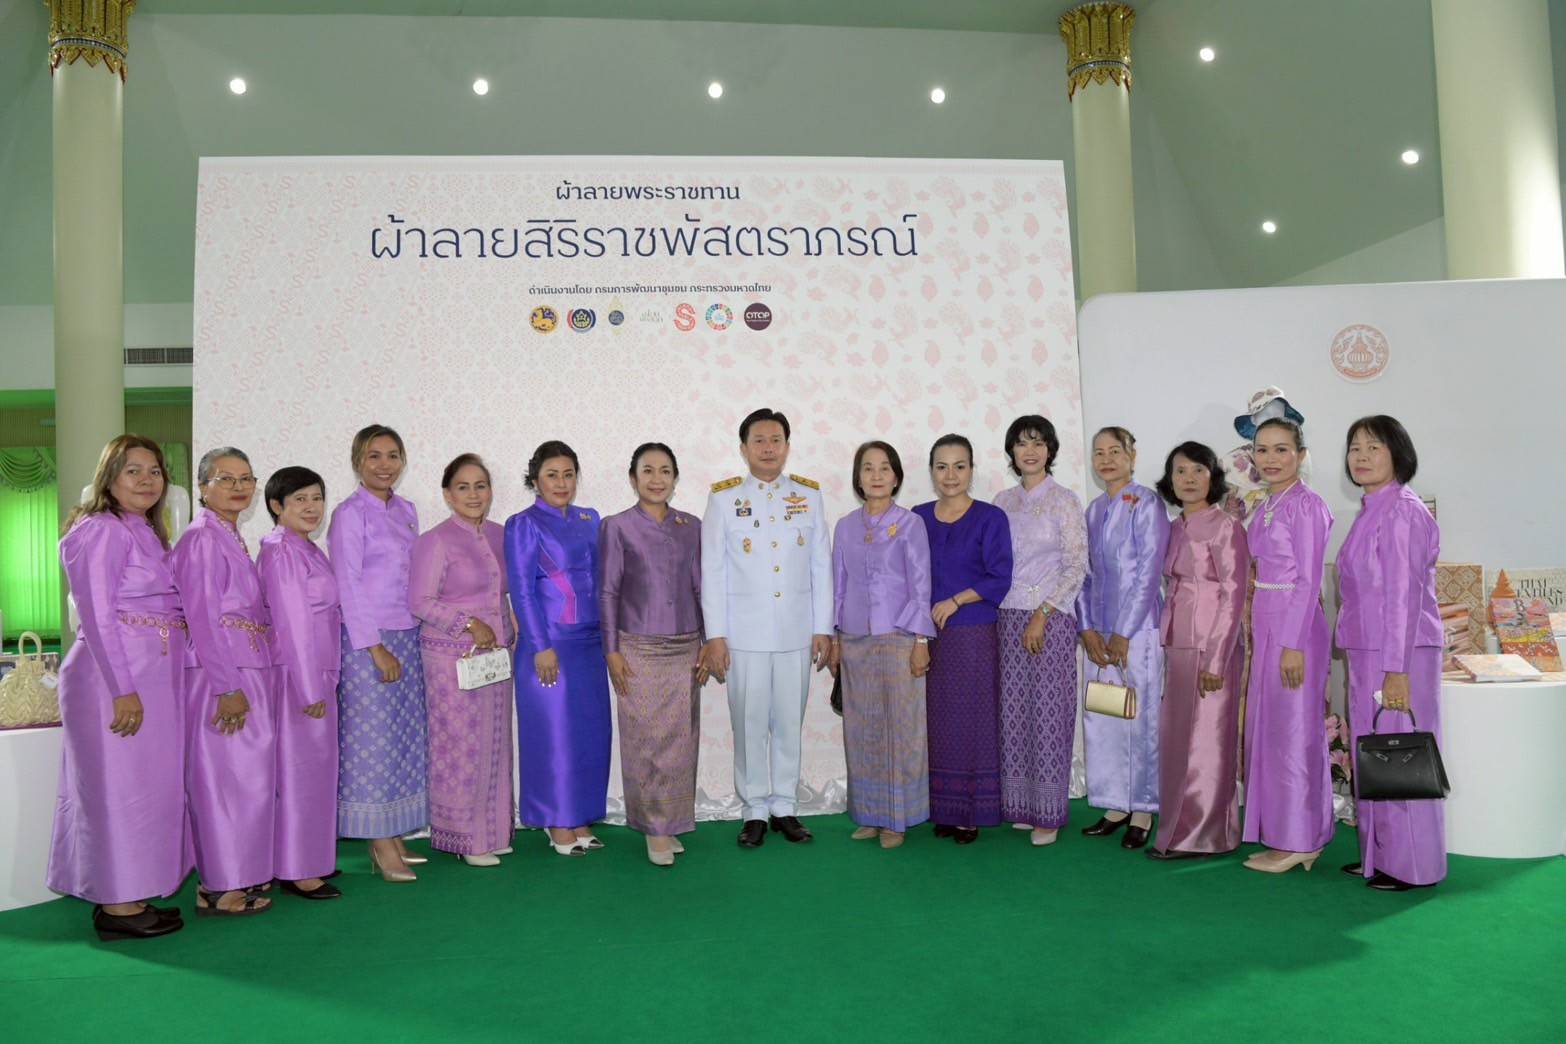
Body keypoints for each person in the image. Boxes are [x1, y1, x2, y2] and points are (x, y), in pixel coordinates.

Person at [49, 435, 190, 940]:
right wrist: (120, 689)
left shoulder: (146, 531)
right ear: (109, 476)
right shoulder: (99, 530)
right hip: (111, 677)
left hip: (150, 677)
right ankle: (116, 906)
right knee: (114, 792)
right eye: (134, 470)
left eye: (155, 471)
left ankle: (131, 891)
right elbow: (96, 615)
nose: (147, 480)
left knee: (143, 791)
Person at [698, 408, 833, 848]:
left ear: (787, 446)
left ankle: (785, 806)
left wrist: (823, 628)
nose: (768, 447)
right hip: (744, 635)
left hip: (796, 632)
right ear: (743, 449)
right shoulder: (723, 499)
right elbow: (713, 570)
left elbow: (820, 566)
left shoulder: (809, 496)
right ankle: (754, 808)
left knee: (789, 722)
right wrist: (715, 634)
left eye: (776, 439)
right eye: (759, 440)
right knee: (749, 722)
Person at [1336, 416, 1445, 891]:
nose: (1360, 456)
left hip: (1398, 653)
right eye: (1354, 447)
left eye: (1372, 447)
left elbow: (1404, 595)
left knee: (1400, 754)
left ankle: (1413, 865)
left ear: (1397, 453)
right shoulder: (1371, 508)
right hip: (1367, 650)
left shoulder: (1403, 509)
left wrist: (1396, 670)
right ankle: (1377, 856)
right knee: (1374, 751)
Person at [171, 447, 278, 915]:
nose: (238, 486)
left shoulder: (231, 536)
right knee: (220, 779)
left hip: (248, 667)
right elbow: (202, 617)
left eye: (246, 478)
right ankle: (218, 885)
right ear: (202, 487)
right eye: (225, 478)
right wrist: (225, 686)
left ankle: (235, 874)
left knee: (247, 777)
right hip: (222, 674)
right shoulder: (200, 539)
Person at [328, 424, 428, 883]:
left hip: (409, 633)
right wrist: (374, 646)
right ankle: (378, 842)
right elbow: (347, 583)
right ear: (357, 462)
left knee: (404, 738)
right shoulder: (350, 515)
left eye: (392, 456)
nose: (384, 465)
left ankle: (393, 830)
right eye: (374, 456)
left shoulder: (407, 511)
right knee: (373, 742)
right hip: (368, 640)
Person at [598, 443, 706, 867]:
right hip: (637, 646)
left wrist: (707, 639)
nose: (656, 478)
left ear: (675, 478)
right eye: (648, 471)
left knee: (681, 739)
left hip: (685, 644)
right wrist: (611, 650)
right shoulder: (617, 526)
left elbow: (700, 588)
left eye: (665, 471)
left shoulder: (691, 526)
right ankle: (652, 828)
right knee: (646, 739)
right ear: (633, 478)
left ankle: (672, 821)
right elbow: (607, 591)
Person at [409, 454, 517, 868]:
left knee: (494, 742)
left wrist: (512, 624)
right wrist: (468, 622)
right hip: (451, 658)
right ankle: (465, 840)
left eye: (481, 486)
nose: (473, 495)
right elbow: (418, 600)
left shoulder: (498, 534)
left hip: (496, 655)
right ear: (447, 494)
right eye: (463, 487)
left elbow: (505, 592)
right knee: (459, 747)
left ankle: (493, 832)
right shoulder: (435, 540)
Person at [505, 440, 610, 856]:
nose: (561, 482)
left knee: (589, 731)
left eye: (568, 474)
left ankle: (579, 815)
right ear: (535, 479)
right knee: (553, 733)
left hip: (589, 641)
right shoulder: (523, 524)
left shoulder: (590, 519)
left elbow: (602, 580)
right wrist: (539, 644)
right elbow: (522, 590)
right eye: (552, 474)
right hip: (547, 643)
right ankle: (554, 819)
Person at [830, 441, 934, 849]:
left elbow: (921, 585)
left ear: (896, 476)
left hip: (899, 637)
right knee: (862, 728)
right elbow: (838, 586)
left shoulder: (910, 524)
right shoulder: (844, 526)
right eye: (868, 468)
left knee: (901, 729)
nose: (876, 475)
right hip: (854, 638)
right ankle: (870, 815)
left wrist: (921, 640)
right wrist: (836, 636)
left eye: (884, 468)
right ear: (858, 477)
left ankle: (897, 819)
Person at [1242, 417, 1335, 873]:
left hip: (1296, 628)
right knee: (1273, 731)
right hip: (1267, 622)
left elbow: (1309, 578)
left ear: (1300, 453)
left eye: (1282, 450)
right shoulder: (1265, 504)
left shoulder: (1308, 506)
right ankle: (1283, 833)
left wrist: (1294, 643)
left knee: (1296, 731)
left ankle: (1303, 839)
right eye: (1262, 450)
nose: (1271, 459)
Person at [1147, 442, 1248, 860]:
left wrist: (1219, 656)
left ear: (1213, 476)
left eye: (1197, 471)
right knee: (1177, 738)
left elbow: (1234, 594)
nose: (1188, 479)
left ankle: (1206, 835)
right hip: (1179, 641)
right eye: (1180, 471)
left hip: (1212, 642)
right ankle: (1176, 828)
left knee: (1208, 740)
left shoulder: (1226, 526)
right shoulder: (1174, 527)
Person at [913, 434, 1013, 845]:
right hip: (927, 636)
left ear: (972, 469)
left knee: (972, 723)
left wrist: (955, 600)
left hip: (973, 632)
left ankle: (973, 812)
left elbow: (1000, 576)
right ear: (931, 470)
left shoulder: (990, 517)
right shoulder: (917, 517)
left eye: (959, 466)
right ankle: (944, 808)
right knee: (936, 723)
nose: (950, 475)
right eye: (941, 466)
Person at [993, 415, 1088, 847]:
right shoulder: (1002, 501)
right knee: (1013, 712)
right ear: (1012, 452)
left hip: (1050, 617)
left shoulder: (1065, 500)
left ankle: (1048, 813)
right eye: (1021, 444)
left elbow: (1076, 565)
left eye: (1037, 443)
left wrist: (1043, 613)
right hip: (1007, 614)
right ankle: (1021, 805)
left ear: (1049, 449)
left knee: (1049, 711)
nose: (1029, 451)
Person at [1077, 427, 1171, 851]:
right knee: (1106, 715)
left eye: (1116, 451)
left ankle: (1143, 810)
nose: (1107, 459)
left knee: (1141, 719)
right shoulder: (1094, 509)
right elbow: (1084, 573)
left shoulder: (1147, 504)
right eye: (1099, 452)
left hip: (1138, 633)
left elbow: (1150, 572)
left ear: (1133, 456)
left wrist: (1123, 632)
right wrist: (1088, 629)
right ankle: (1115, 804)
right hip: (1100, 636)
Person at [257, 466, 344, 898]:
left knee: (316, 769)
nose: (311, 508)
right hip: (298, 677)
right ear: (276, 506)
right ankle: (296, 867)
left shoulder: (307, 547)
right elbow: (291, 624)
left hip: (319, 670)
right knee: (299, 772)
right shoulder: (281, 550)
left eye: (316, 498)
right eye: (299, 500)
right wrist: (309, 688)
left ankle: (310, 856)